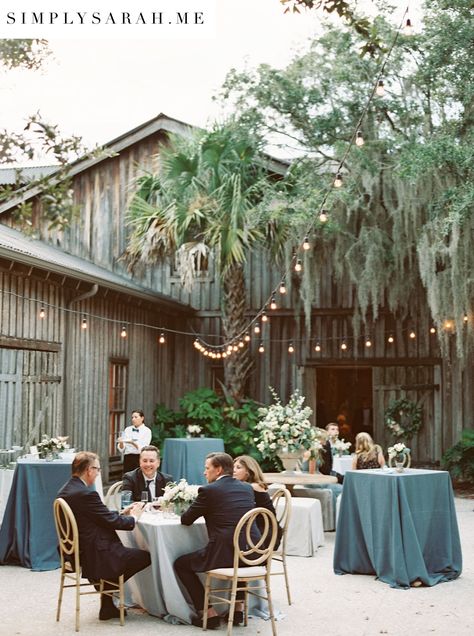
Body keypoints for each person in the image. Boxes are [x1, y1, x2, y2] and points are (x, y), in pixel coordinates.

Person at [57, 451, 151, 621]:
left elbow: (97, 515)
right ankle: (107, 593)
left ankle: (107, 603)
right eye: (98, 469)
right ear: (89, 470)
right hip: (94, 551)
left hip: (75, 550)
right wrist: (134, 517)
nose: (98, 473)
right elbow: (111, 522)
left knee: (124, 554)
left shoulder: (67, 489)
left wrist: (122, 512)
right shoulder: (86, 494)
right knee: (145, 556)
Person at [174, 452, 258, 629]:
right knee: (239, 551)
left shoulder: (209, 491)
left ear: (218, 470)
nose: (205, 473)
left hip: (225, 553)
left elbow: (186, 520)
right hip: (254, 551)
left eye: (207, 468)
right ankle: (237, 609)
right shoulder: (247, 488)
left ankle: (208, 613)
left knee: (180, 564)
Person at [233, 455, 282, 549]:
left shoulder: (253, 487)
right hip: (257, 528)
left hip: (265, 533)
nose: (233, 470)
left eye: (238, 467)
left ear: (248, 471)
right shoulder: (248, 486)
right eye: (233, 467)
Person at [117, 409, 152, 474]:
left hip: (139, 458)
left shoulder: (147, 431)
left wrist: (132, 443)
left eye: (136, 417)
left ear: (142, 418)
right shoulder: (127, 429)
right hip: (128, 457)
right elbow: (122, 449)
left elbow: (144, 448)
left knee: (139, 478)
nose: (133, 419)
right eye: (132, 417)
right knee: (127, 478)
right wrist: (121, 442)